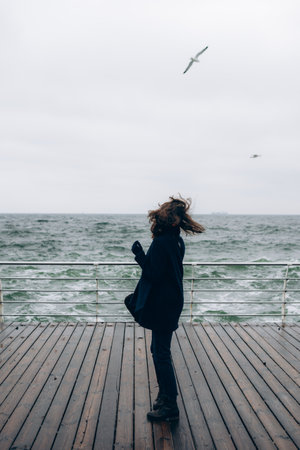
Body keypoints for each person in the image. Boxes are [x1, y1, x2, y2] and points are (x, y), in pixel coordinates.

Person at [130, 196, 205, 422]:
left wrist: (139, 255)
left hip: (164, 304)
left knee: (161, 354)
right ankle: (164, 397)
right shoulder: (176, 240)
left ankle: (169, 405)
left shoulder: (162, 242)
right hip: (171, 301)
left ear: (171, 221)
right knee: (158, 351)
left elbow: (153, 273)